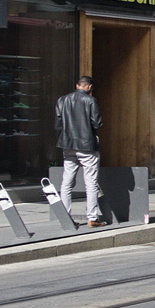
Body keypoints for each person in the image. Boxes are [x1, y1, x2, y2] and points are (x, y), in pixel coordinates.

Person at [55, 75, 104, 226]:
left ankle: (66, 218)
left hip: (68, 144)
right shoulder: (90, 101)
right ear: (89, 87)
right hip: (86, 145)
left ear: (77, 85)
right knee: (91, 182)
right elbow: (97, 123)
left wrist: (64, 138)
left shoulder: (62, 100)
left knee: (67, 182)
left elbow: (57, 123)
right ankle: (92, 217)